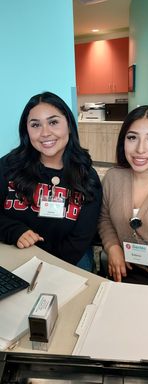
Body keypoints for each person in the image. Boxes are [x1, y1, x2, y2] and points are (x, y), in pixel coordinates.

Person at [0, 91, 102, 271]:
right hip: (13, 254)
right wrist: (14, 231)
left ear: (69, 125)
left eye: (53, 122)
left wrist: (48, 269)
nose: (45, 133)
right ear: (27, 131)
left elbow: (81, 237)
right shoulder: (8, 166)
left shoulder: (87, 175)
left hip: (68, 260)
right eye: (35, 125)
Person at [99, 105, 148, 289]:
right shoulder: (113, 177)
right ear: (123, 141)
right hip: (124, 268)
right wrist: (112, 247)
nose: (140, 149)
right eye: (132, 137)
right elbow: (104, 218)